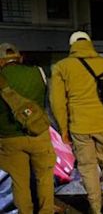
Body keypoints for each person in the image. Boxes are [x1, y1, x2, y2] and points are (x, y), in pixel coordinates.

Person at [50, 31, 103, 214]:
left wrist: (63, 129)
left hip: (79, 126)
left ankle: (96, 208)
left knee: (88, 166)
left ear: (72, 46)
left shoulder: (62, 66)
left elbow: (57, 102)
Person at [0, 43, 56, 213]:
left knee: (20, 183)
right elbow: (49, 100)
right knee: (44, 178)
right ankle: (46, 211)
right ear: (20, 58)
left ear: (1, 62)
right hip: (38, 133)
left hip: (9, 138)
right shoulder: (38, 72)